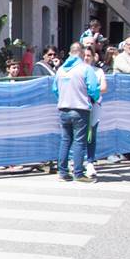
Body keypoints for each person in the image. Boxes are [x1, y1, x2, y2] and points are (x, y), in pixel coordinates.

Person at [53, 43, 101, 183]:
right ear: (81, 53)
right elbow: (93, 89)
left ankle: (62, 172)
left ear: (70, 52)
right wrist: (94, 98)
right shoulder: (86, 69)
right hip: (80, 108)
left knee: (65, 140)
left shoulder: (61, 70)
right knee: (79, 142)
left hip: (63, 108)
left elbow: (55, 90)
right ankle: (78, 173)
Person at [82, 44, 109, 178]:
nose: (86, 58)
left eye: (88, 55)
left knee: (91, 135)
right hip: (80, 106)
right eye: (84, 55)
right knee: (79, 135)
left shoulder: (98, 71)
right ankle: (77, 161)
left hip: (94, 105)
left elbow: (104, 87)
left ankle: (90, 161)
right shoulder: (77, 70)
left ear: (93, 57)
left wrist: (92, 92)